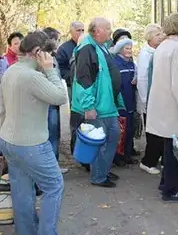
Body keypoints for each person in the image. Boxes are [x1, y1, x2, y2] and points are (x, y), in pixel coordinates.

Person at [0, 31, 67, 234]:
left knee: (22, 190)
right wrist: (50, 71)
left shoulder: (11, 71)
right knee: (54, 186)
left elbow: (2, 109)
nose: (51, 59)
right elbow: (60, 97)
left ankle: (26, 231)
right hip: (32, 145)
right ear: (38, 52)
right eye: (49, 54)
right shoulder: (32, 76)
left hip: (9, 140)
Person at [147, 12, 178, 202]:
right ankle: (171, 189)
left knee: (169, 146)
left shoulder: (163, 47)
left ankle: (166, 182)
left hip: (163, 105)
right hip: (174, 107)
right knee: (175, 150)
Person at [71, 17, 124, 188]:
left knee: (112, 137)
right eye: (108, 28)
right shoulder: (87, 48)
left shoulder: (101, 46)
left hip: (108, 105)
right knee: (103, 141)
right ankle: (98, 176)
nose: (111, 31)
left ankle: (103, 170)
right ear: (97, 31)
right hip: (98, 106)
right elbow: (83, 80)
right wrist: (89, 106)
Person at [137, 24, 165, 175]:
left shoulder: (156, 51)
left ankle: (158, 156)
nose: (161, 37)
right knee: (154, 133)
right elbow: (142, 79)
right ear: (149, 37)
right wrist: (144, 100)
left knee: (160, 131)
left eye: (161, 34)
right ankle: (148, 161)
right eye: (157, 35)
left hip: (157, 98)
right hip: (149, 99)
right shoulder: (146, 54)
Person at [42, 27, 69, 175]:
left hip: (52, 102)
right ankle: (52, 168)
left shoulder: (51, 57)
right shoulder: (47, 60)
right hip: (50, 103)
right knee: (52, 136)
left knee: (53, 135)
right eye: (57, 40)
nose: (59, 44)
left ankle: (53, 165)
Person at [110, 38, 139, 166]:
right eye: (127, 48)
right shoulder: (116, 63)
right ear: (120, 50)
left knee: (130, 130)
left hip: (131, 101)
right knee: (121, 131)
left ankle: (127, 154)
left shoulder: (132, 64)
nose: (129, 51)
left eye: (130, 48)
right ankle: (118, 157)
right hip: (121, 102)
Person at [56, 21, 84, 102]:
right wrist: (73, 77)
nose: (81, 33)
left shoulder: (88, 46)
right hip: (72, 87)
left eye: (83, 30)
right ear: (71, 32)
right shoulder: (64, 49)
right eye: (78, 30)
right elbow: (61, 69)